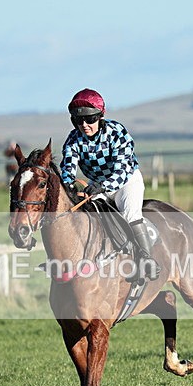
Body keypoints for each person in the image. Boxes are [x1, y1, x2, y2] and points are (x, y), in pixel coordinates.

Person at [60, 88, 160, 280]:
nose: (84, 125)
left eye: (90, 119)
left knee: (131, 215)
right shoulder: (73, 139)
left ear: (100, 117)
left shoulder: (117, 132)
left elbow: (122, 170)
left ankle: (147, 260)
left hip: (126, 181)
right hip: (97, 185)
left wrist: (103, 186)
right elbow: (68, 167)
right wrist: (68, 184)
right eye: (78, 120)